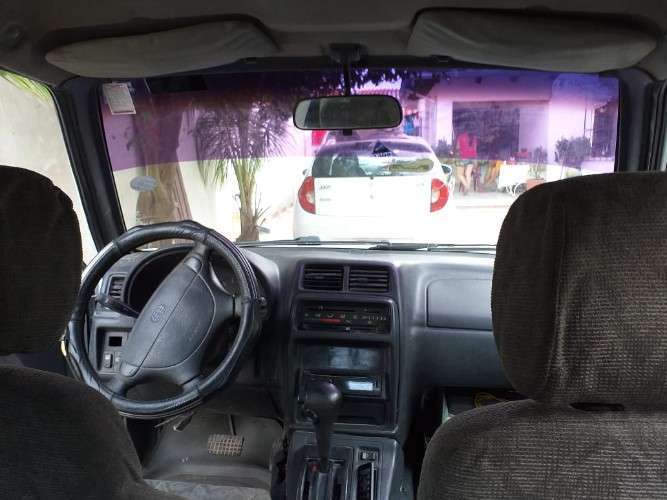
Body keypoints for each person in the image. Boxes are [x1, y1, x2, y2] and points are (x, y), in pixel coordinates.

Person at [455, 125, 478, 195]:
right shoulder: (474, 138)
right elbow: (475, 149)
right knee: (468, 174)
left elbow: (457, 148)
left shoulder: (461, 137)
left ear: (464, 129)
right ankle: (467, 188)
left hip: (462, 158)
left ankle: (466, 186)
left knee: (459, 174)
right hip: (472, 158)